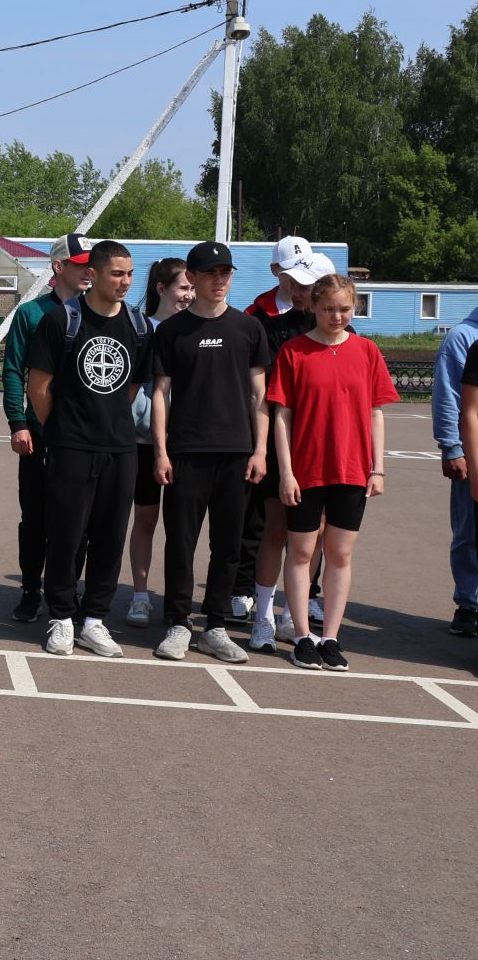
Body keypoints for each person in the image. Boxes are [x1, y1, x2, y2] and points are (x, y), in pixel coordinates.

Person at [269, 273, 398, 671]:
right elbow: (281, 417)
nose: (336, 315)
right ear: (313, 307)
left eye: (344, 308)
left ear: (353, 307)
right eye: (328, 308)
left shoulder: (367, 351)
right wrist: (286, 473)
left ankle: (330, 637)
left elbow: (376, 413)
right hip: (306, 470)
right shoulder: (293, 352)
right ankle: (302, 636)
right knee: (302, 551)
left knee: (340, 553)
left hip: (353, 470)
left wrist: (378, 468)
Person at [27, 239, 149, 658]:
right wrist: (62, 430)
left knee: (110, 538)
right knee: (65, 534)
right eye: (117, 273)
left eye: (130, 274)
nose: (125, 282)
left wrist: (109, 423)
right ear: (93, 275)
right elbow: (38, 388)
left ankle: (94, 620)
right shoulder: (61, 321)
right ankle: (61, 617)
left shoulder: (138, 326)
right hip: (71, 447)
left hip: (121, 449)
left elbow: (132, 388)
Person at [149, 241, 270, 663]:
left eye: (225, 273)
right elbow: (161, 395)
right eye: (210, 273)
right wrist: (161, 451)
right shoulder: (171, 332)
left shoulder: (249, 329)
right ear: (194, 279)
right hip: (186, 450)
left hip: (237, 451)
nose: (219, 281)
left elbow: (261, 395)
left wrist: (261, 451)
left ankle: (215, 626)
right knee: (180, 541)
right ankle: (178, 623)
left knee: (229, 544)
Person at [241, 247, 333, 644]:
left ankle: (293, 614)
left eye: (304, 284)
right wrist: (262, 448)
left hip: (322, 447)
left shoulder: (347, 339)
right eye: (292, 281)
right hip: (283, 444)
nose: (295, 289)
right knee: (275, 529)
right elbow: (268, 399)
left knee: (314, 536)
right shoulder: (278, 332)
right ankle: (263, 614)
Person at [2, 232, 93, 622]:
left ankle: (69, 591)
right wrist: (18, 423)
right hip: (40, 436)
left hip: (84, 437)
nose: (89, 270)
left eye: (92, 263)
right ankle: (30, 590)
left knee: (79, 521)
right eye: (80, 263)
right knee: (36, 518)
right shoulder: (32, 314)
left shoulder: (99, 312)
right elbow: (12, 370)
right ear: (59, 267)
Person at [126, 258, 192, 626]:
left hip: (184, 444)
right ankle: (139, 596)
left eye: (191, 288)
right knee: (145, 520)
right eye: (183, 288)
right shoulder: (140, 329)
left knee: (182, 527)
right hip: (141, 441)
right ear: (161, 289)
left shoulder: (194, 329)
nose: (188, 295)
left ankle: (176, 603)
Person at [432, 300, 478, 636]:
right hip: (472, 451)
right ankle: (468, 603)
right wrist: (452, 447)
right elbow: (448, 396)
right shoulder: (462, 337)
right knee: (468, 531)